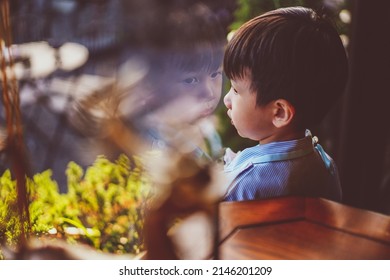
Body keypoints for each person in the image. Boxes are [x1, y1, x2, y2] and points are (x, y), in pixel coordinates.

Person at [221, 7, 348, 202]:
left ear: (280, 113)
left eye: (236, 90)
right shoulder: (325, 165)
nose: (226, 100)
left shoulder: (244, 185)